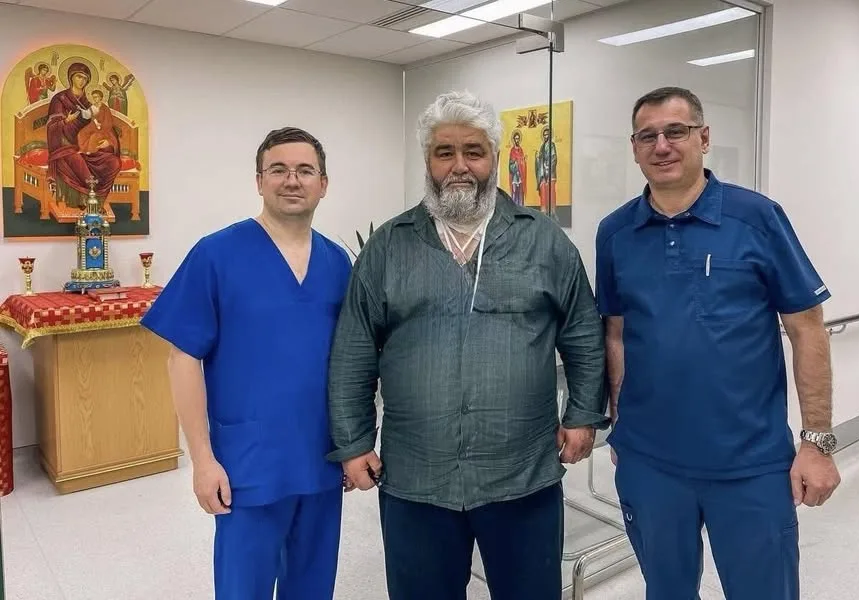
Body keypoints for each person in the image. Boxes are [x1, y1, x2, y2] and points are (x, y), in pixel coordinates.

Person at [326, 90, 608, 600]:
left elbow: (584, 332)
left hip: (521, 473)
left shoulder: (544, 241)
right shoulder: (389, 246)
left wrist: (583, 414)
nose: (460, 166)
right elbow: (354, 349)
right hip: (417, 477)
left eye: (473, 152)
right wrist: (354, 441)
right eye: (445, 152)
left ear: (494, 157)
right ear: (428, 160)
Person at [595, 86, 842, 600]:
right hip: (651, 465)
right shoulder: (614, 233)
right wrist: (622, 427)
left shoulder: (757, 217)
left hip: (750, 464)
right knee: (666, 591)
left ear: (703, 138)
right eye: (647, 136)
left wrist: (816, 442)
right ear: (634, 148)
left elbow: (807, 327)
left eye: (676, 131)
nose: (662, 145)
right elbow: (615, 333)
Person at [140, 127, 351, 600]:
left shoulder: (338, 263)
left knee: (313, 588)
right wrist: (202, 460)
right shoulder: (216, 254)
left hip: (321, 460)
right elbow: (182, 358)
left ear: (323, 184)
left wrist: (353, 446)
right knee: (243, 590)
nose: (292, 180)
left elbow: (353, 362)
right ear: (259, 181)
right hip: (248, 465)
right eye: (278, 169)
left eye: (305, 170)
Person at [46, 62, 122, 207]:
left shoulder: (92, 100)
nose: (82, 81)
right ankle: (88, 203)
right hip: (66, 146)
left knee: (114, 162)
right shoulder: (60, 99)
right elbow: (52, 127)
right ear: (71, 77)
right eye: (79, 77)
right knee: (78, 162)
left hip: (90, 145)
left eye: (85, 78)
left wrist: (109, 142)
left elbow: (106, 125)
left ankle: (98, 202)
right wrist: (66, 121)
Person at [77, 90, 118, 155]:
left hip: (103, 128)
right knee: (81, 133)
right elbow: (87, 115)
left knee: (94, 136)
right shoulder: (93, 107)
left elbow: (108, 121)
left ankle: (90, 150)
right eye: (93, 97)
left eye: (96, 97)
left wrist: (101, 126)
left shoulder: (105, 108)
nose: (94, 99)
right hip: (93, 126)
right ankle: (83, 149)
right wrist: (81, 109)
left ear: (101, 97)